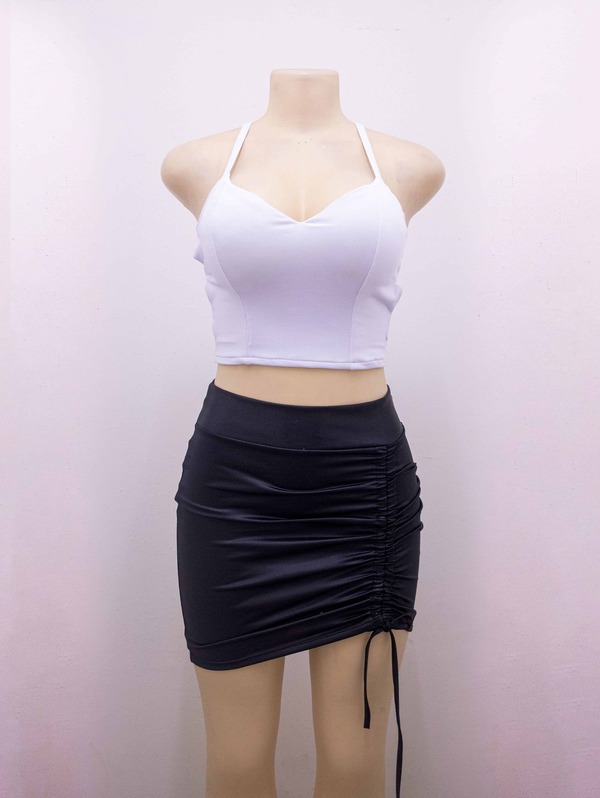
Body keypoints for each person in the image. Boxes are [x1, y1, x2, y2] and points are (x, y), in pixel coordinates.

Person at [161, 67, 445, 798]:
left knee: (354, 762)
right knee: (236, 760)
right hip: (233, 496)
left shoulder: (410, 166)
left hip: (364, 494)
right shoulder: (194, 163)